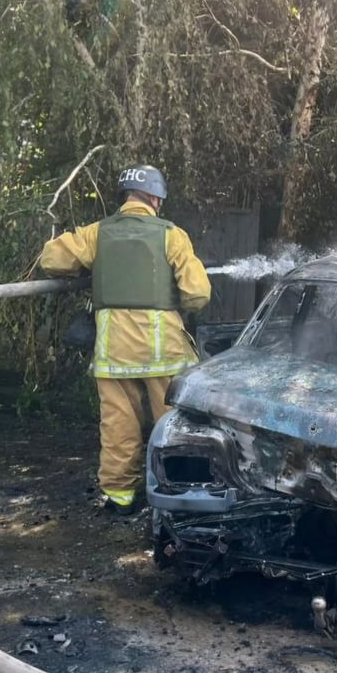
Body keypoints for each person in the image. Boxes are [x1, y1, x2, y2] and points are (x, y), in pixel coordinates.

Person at [39, 164, 211, 515]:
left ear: (126, 197)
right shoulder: (171, 235)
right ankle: (181, 494)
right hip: (164, 352)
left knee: (118, 424)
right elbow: (197, 294)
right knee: (175, 423)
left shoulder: (97, 234)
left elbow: (51, 259)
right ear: (155, 198)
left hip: (114, 352)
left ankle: (120, 498)